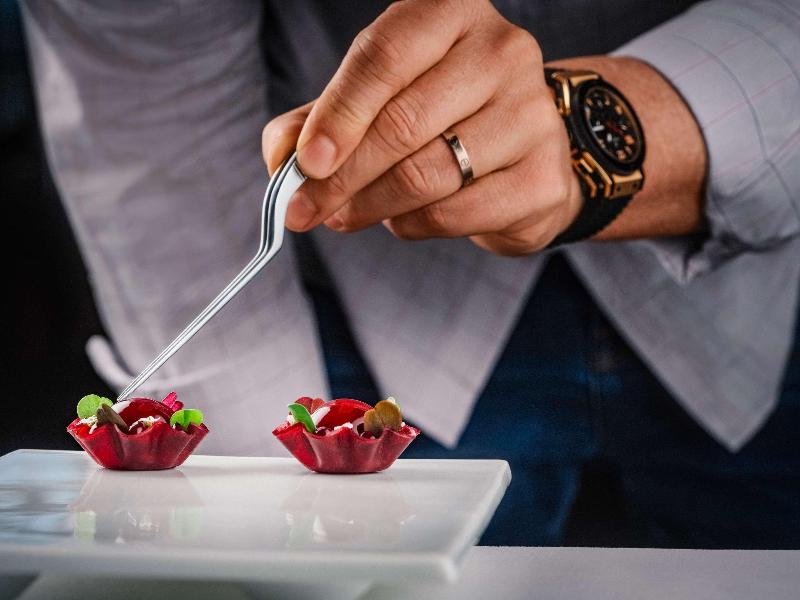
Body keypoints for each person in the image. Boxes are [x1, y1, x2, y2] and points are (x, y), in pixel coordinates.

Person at [21, 0, 800, 547]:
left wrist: (600, 131)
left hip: (756, 312)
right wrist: (261, 531)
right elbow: (148, 87)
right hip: (356, 333)